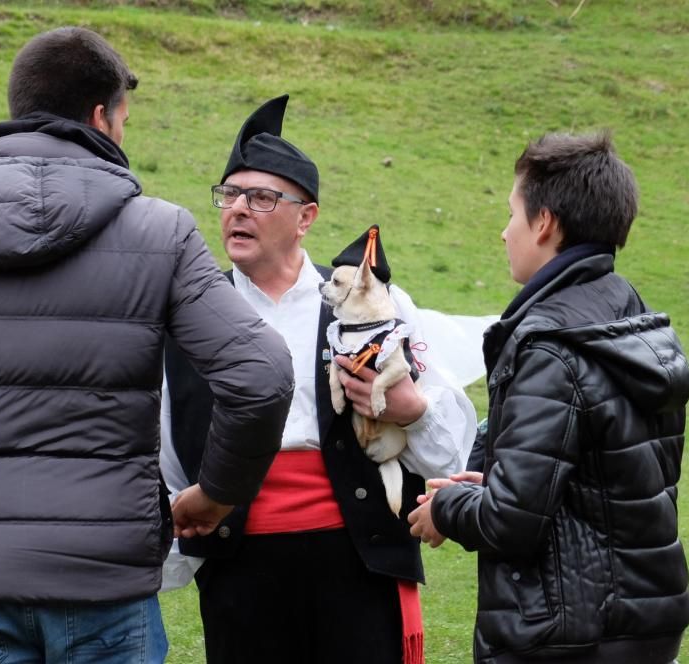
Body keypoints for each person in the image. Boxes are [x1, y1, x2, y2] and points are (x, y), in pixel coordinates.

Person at [0, 27, 295, 663]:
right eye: (124, 119)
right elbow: (261, 375)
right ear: (101, 116)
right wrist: (217, 493)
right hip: (104, 577)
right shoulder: (159, 230)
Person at [161, 95, 477, 664]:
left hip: (355, 556)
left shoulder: (371, 299)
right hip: (239, 562)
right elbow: (167, 431)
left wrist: (411, 410)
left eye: (261, 198)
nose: (238, 209)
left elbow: (447, 442)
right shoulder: (191, 308)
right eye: (230, 195)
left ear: (306, 217)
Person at [408, 132, 689, 663]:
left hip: (569, 633)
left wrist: (447, 508)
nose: (503, 232)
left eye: (512, 213)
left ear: (545, 224)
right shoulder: (629, 316)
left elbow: (512, 521)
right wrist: (493, 473)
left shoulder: (548, 345)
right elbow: (588, 476)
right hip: (644, 619)